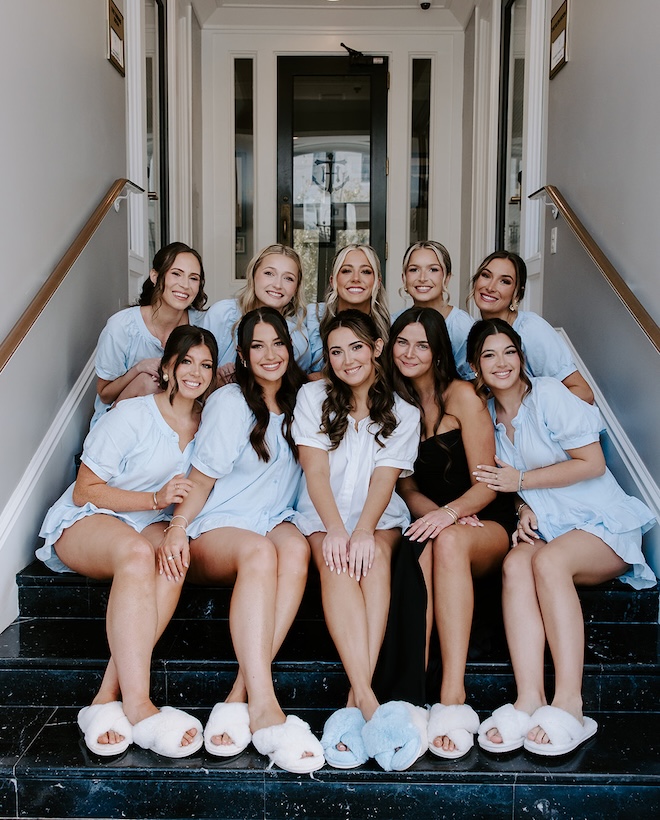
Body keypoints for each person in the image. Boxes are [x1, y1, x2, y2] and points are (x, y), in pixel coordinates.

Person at [467, 319, 656, 756]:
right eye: (489, 355)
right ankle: (529, 697)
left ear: (522, 357)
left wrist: (523, 480)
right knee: (516, 563)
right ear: (476, 367)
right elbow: (512, 486)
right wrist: (522, 507)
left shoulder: (548, 394)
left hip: (602, 524)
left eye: (509, 352)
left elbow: (590, 463)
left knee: (548, 562)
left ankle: (570, 703)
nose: (502, 362)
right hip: (551, 527)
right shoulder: (490, 420)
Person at [37, 325, 219, 758]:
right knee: (138, 554)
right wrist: (155, 498)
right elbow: (86, 489)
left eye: (206, 364)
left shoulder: (207, 423)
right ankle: (139, 704)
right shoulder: (133, 414)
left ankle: (105, 694)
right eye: (186, 361)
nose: (196, 372)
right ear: (168, 367)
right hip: (91, 516)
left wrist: (168, 516)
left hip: (151, 521)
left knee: (175, 555)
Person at [158, 307, 323, 774]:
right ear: (244, 357)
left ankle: (237, 694)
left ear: (290, 350)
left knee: (294, 548)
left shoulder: (303, 401)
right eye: (258, 346)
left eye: (278, 344)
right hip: (218, 524)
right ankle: (265, 702)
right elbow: (203, 478)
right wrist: (176, 527)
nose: (270, 354)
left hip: (274, 519)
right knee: (260, 551)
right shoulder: (231, 401)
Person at [375, 307, 516, 759]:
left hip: (484, 519)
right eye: (402, 342)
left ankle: (452, 695)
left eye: (422, 344)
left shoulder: (461, 396)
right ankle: (411, 695)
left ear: (438, 351)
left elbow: (488, 483)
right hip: (431, 517)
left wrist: (449, 515)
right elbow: (405, 483)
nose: (410, 353)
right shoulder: (392, 403)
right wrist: (432, 516)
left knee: (448, 540)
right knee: (421, 550)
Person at [293, 309, 426, 772]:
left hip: (379, 516)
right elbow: (316, 471)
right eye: (335, 351)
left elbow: (385, 480)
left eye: (355, 347)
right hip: (321, 514)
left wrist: (364, 531)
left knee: (374, 563)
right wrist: (335, 529)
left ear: (376, 347)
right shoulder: (311, 397)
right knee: (336, 564)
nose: (347, 359)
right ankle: (368, 701)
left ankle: (352, 704)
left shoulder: (405, 414)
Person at [91, 242, 208, 428]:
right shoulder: (121, 326)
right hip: (120, 423)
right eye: (176, 274)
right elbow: (105, 394)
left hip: (177, 421)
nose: (185, 285)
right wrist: (138, 369)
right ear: (155, 276)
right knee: (150, 382)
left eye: (193, 278)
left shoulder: (203, 325)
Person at [469, 250, 594, 404]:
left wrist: (529, 414)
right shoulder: (477, 332)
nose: (490, 287)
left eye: (505, 281)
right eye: (486, 275)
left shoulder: (530, 329)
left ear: (517, 294)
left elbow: (584, 392)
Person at [199, 244, 310, 382]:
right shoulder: (222, 314)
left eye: (288, 278)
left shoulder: (298, 337)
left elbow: (294, 387)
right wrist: (215, 378)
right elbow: (195, 367)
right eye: (269, 273)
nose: (278, 285)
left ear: (296, 287)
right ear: (253, 274)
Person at [395, 241, 475, 380]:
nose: (422, 278)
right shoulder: (394, 322)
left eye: (433, 269)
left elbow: (472, 380)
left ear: (447, 278)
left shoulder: (462, 326)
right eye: (414, 269)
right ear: (404, 278)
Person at [306, 244, 391, 375]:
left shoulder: (392, 326)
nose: (356, 279)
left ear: (378, 282)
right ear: (333, 280)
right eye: (346, 271)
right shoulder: (311, 317)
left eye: (366, 271)